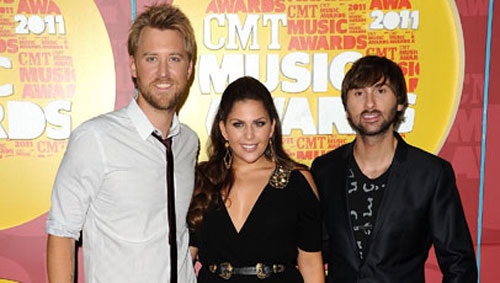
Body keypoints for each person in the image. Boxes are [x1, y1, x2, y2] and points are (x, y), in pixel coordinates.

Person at [46, 4, 197, 283]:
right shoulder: (95, 139)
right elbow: (62, 233)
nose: (163, 72)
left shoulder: (188, 142)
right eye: (151, 59)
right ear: (133, 66)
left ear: (189, 68)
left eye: (174, 59)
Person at [311, 55, 477, 282]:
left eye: (380, 91)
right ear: (346, 107)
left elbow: (459, 263)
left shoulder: (430, 174)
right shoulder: (324, 170)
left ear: (399, 101)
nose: (369, 104)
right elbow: (314, 250)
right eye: (359, 93)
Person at [188, 76, 325, 282]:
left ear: (271, 127)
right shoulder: (201, 179)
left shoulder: (296, 180)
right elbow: (185, 256)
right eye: (239, 124)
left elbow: (311, 262)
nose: (249, 135)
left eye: (258, 123)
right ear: (224, 129)